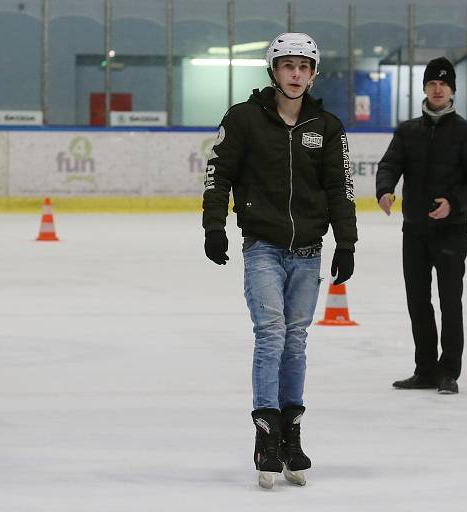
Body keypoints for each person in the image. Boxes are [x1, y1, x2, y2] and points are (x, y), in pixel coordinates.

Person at [202, 33, 357, 488]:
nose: (295, 74)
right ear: (274, 71)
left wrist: (346, 242)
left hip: (308, 251)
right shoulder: (244, 119)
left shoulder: (327, 127)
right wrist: (214, 226)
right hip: (264, 247)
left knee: (296, 340)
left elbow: (340, 190)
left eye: (303, 67)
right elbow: (219, 174)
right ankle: (266, 435)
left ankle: (292, 433)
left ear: (313, 74)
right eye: (287, 65)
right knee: (270, 334)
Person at [375, 57, 467, 395]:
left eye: (443, 83)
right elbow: (390, 163)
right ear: (424, 88)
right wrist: (385, 189)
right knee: (418, 301)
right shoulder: (408, 131)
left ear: (452, 89)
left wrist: (453, 202)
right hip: (414, 230)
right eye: (431, 83)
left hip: (450, 230)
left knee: (449, 301)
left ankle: (448, 371)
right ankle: (425, 369)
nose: (437, 89)